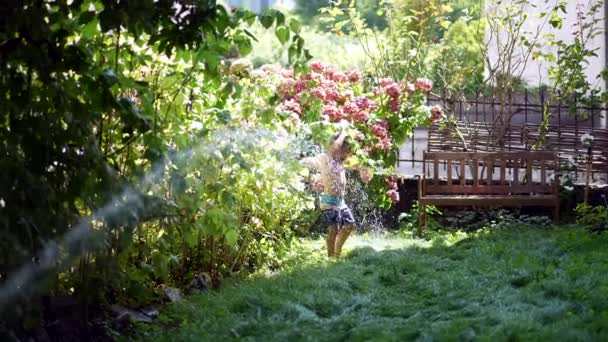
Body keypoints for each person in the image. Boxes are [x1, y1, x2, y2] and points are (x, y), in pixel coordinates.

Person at [302, 130, 372, 257]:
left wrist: (364, 170)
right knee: (333, 229)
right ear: (334, 147)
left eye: (347, 152)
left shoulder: (340, 162)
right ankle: (331, 256)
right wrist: (344, 133)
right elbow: (335, 146)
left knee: (349, 225)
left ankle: (337, 251)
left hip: (340, 202)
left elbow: (357, 164)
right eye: (343, 150)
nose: (345, 154)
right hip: (328, 201)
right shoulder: (326, 158)